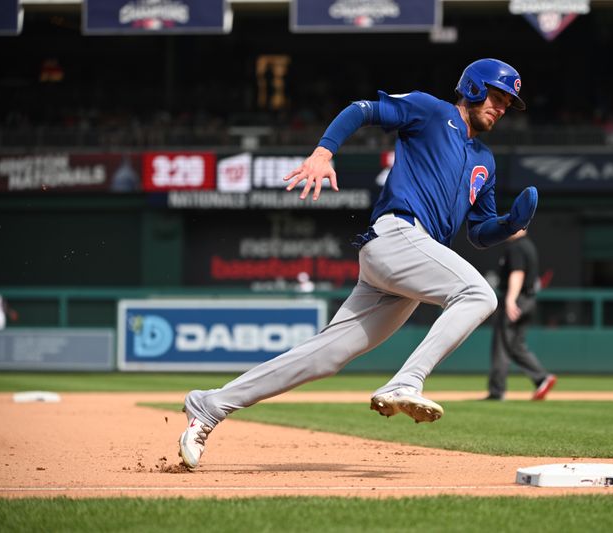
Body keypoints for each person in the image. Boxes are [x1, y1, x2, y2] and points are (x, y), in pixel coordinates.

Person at [178, 59, 539, 468]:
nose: (503, 106)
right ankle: (407, 380)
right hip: (397, 235)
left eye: (509, 102)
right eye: (497, 96)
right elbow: (362, 109)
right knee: (478, 294)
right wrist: (323, 152)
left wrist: (509, 224)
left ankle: (208, 405)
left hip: (411, 261)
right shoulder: (431, 110)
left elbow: (477, 232)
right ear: (472, 88)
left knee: (324, 357)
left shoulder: (485, 160)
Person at [486, 231, 556, 401]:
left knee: (502, 344)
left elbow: (518, 273)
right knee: (516, 345)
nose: (508, 228)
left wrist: (511, 299)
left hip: (516, 299)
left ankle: (497, 391)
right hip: (528, 300)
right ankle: (541, 378)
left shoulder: (516, 247)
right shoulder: (528, 245)